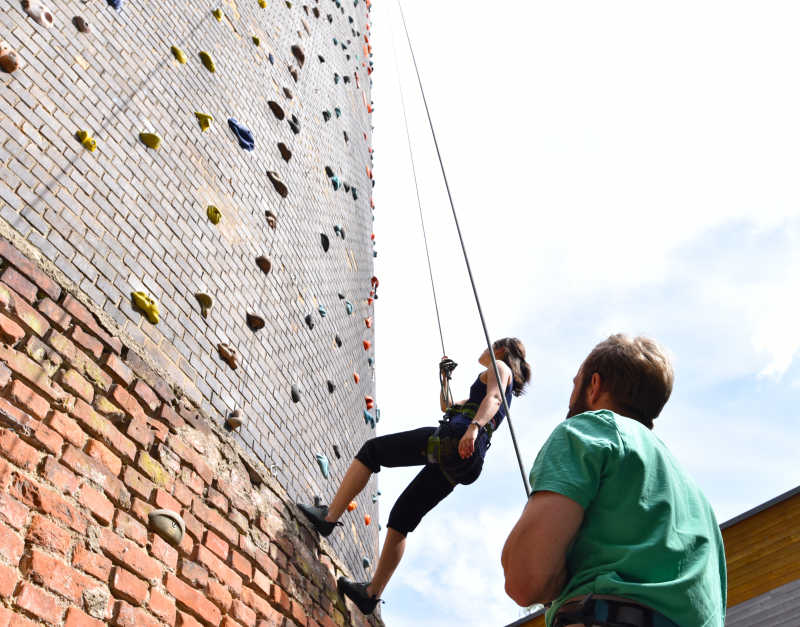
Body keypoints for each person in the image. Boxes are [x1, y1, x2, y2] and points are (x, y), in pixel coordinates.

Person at [501, 334, 727, 627]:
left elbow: (526, 578)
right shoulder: (698, 502)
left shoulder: (587, 431)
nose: (570, 400)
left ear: (594, 386)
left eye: (575, 385)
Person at [298, 337, 532, 614]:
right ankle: (370, 595)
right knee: (402, 517)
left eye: (490, 346)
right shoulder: (491, 387)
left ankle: (328, 518)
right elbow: (449, 407)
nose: (485, 350)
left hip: (456, 440)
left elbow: (492, 399)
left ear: (501, 350)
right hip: (464, 464)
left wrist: (474, 428)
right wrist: (444, 379)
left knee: (373, 452)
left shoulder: (499, 367)